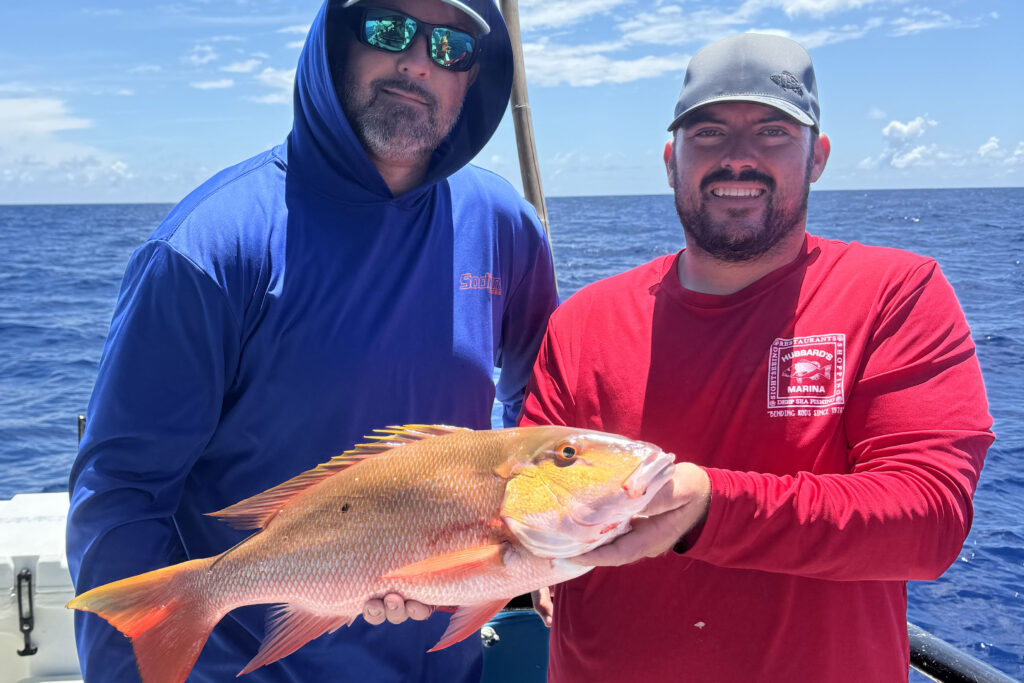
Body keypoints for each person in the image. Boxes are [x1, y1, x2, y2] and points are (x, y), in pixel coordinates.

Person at [66, 0, 558, 681]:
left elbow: (539, 396)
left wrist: (526, 540)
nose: (417, 60)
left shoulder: (504, 223)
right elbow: (122, 489)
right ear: (335, 44)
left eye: (451, 48)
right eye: (388, 28)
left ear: (474, 79)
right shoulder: (212, 246)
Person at [520, 33, 993, 682]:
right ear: (670, 159)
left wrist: (710, 506)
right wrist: (399, 571)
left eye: (773, 131)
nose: (738, 159)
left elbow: (928, 519)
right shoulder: (580, 322)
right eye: (708, 133)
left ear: (818, 155)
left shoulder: (896, 293)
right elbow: (521, 509)